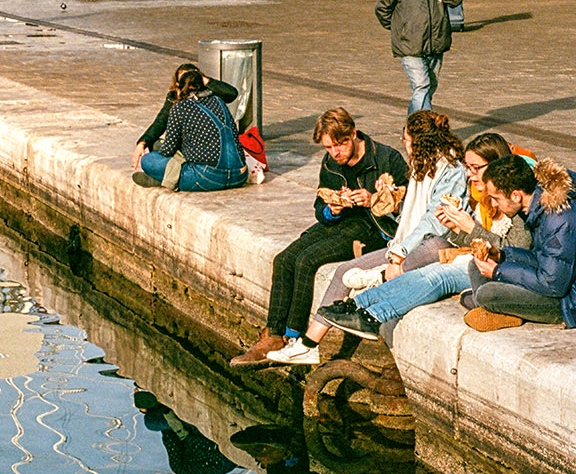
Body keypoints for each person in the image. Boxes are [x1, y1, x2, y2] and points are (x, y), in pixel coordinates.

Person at [230, 106, 408, 366]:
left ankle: (293, 337)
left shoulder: (386, 158)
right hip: (341, 222)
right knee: (284, 259)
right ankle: (273, 335)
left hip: (372, 228)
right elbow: (319, 209)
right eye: (329, 148)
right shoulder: (331, 163)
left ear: (353, 134)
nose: (335, 153)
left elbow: (407, 205)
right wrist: (331, 209)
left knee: (307, 259)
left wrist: (373, 200)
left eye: (340, 145)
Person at [301, 112, 468, 347]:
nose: (404, 145)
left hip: (437, 245)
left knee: (414, 258)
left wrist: (400, 252)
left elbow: (434, 221)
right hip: (411, 242)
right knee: (343, 271)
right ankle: (308, 345)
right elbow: (410, 216)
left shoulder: (451, 170)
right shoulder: (422, 167)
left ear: (420, 144)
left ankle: (374, 282)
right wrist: (385, 202)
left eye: (406, 141)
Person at [460, 153, 576, 331]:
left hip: (567, 303)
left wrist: (498, 271)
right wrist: (503, 256)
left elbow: (553, 285)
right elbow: (543, 258)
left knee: (487, 293)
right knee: (475, 267)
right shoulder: (538, 207)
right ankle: (498, 310)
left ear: (515, 195)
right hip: (555, 280)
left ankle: (497, 309)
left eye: (496, 198)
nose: (494, 204)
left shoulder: (559, 218)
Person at [375, 0, 464, 114]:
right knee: (422, 86)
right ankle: (425, 131)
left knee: (428, 88)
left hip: (436, 43)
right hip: (409, 45)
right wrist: (400, 29)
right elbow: (382, 9)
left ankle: (411, 130)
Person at [133, 65, 247, 193]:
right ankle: (167, 177)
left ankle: (164, 180)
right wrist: (143, 142)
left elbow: (168, 150)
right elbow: (160, 122)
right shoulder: (218, 100)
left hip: (208, 177)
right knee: (160, 147)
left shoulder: (181, 107)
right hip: (240, 174)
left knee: (148, 160)